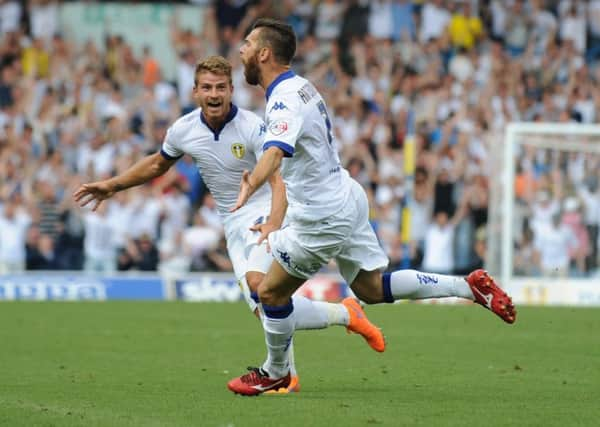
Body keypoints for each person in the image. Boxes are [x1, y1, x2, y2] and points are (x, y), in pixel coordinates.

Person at [227, 18, 517, 396]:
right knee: (372, 288)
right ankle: (469, 287)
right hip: (347, 195)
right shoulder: (301, 87)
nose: (241, 50)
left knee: (269, 294)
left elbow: (274, 154)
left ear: (264, 53)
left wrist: (253, 182)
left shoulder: (282, 101)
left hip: (321, 217)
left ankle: (276, 372)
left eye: (248, 44)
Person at [73, 55, 384, 394]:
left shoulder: (252, 126)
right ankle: (341, 320)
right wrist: (112, 185)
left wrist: (275, 223)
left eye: (221, 87)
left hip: (265, 211)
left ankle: (282, 373)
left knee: (259, 285)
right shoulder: (184, 130)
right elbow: (157, 165)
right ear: (195, 91)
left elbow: (279, 179)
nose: (214, 94)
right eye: (207, 87)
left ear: (232, 89)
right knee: (266, 310)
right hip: (232, 222)